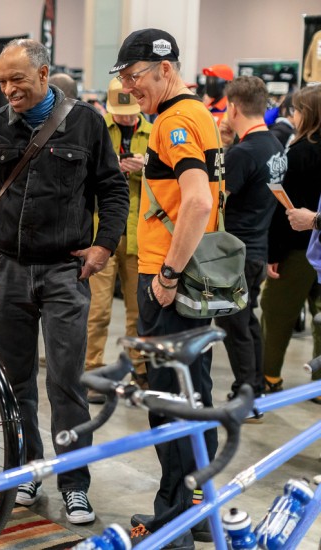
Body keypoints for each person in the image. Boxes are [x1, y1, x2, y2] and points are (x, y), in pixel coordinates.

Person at [0, 38, 129, 525]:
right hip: (4, 271)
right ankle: (28, 469)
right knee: (13, 382)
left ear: (44, 74)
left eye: (18, 79)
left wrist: (104, 245)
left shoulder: (88, 123)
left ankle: (74, 482)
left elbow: (113, 189)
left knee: (66, 382)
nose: (9, 89)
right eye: (2, 81)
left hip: (64, 271)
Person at [111, 28, 223, 548]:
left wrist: (168, 275)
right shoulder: (197, 113)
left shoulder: (174, 121)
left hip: (172, 282)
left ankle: (172, 519)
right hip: (196, 279)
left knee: (169, 400)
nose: (130, 88)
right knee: (193, 395)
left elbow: (198, 202)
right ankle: (197, 510)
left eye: (135, 77)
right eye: (125, 79)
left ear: (165, 69)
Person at [214, 76, 286, 409]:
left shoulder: (243, 153)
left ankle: (246, 391)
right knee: (247, 319)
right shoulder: (274, 146)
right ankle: (255, 384)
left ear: (233, 107)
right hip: (257, 247)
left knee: (234, 322)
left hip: (236, 253)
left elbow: (217, 201)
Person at [84, 77, 152, 404]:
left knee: (138, 311)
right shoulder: (96, 130)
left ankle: (139, 371)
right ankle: (92, 371)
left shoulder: (154, 133)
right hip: (103, 232)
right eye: (121, 113)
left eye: (131, 112)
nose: (126, 118)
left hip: (141, 235)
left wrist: (146, 167)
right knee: (97, 309)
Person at [261, 84, 321, 395]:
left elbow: (283, 209)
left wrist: (274, 253)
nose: (292, 115)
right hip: (316, 249)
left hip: (297, 251)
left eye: (296, 110)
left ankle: (269, 377)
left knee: (276, 312)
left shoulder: (297, 154)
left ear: (307, 114)